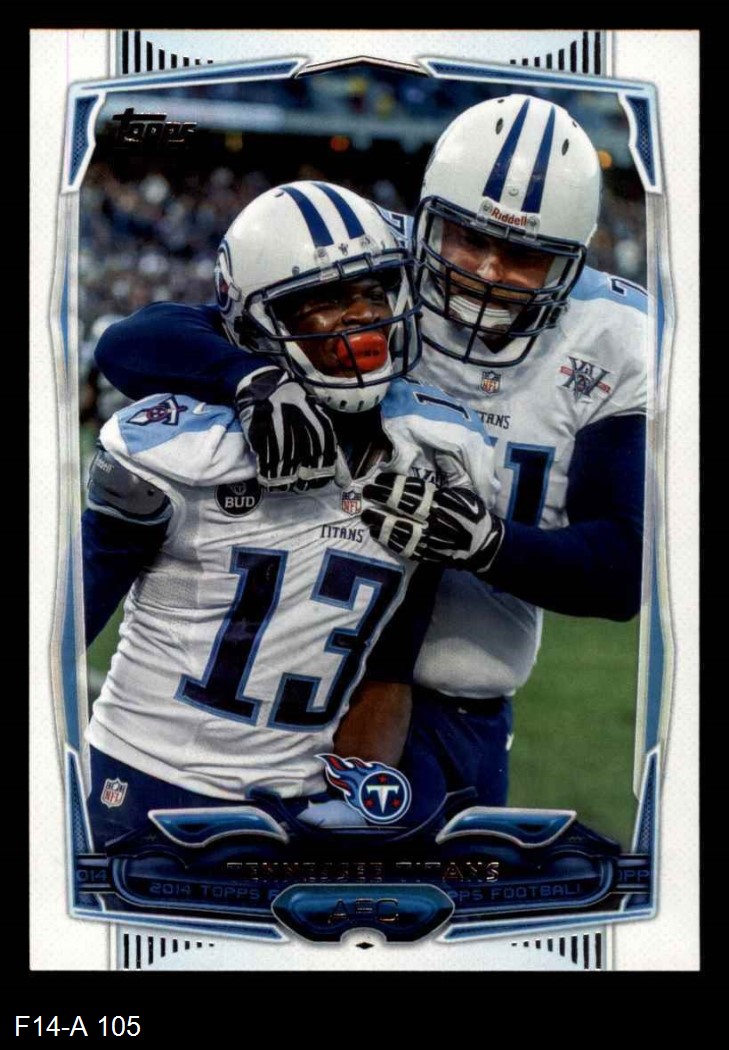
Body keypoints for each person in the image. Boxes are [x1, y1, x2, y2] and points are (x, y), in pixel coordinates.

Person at [93, 94, 647, 816]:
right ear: (424, 218)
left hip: (455, 694)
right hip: (292, 689)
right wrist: (248, 376)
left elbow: (619, 571)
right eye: (465, 238)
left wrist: (488, 545)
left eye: (524, 256)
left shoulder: (614, 337)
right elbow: (138, 341)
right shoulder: (370, 264)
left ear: (573, 263)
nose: (485, 271)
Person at [82, 181, 497, 846]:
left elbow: (387, 668)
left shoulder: (436, 448)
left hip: (301, 803)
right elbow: (57, 632)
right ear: (254, 323)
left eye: (372, 291)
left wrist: (361, 804)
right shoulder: (184, 445)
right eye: (321, 301)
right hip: (140, 784)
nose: (359, 318)